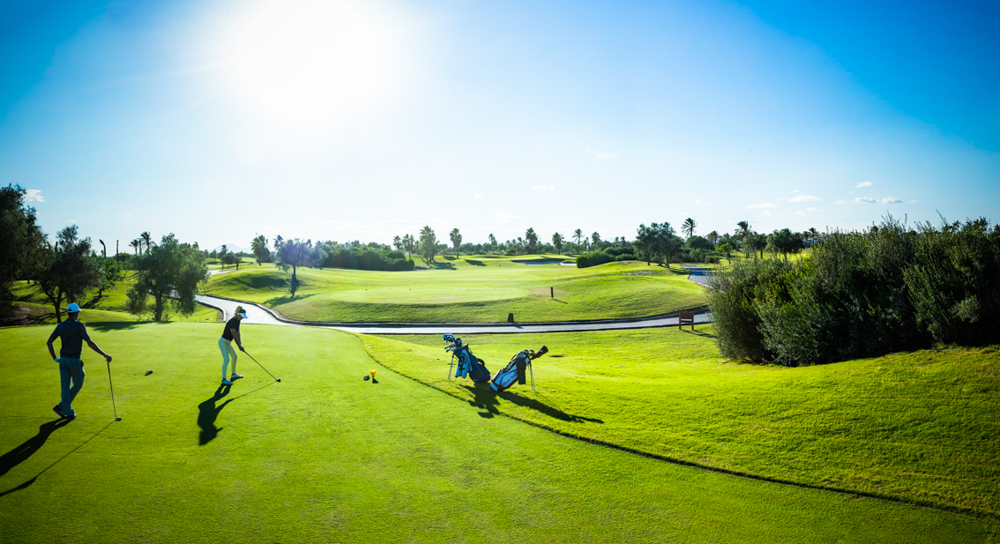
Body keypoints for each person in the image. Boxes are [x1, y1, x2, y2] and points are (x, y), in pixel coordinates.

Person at [46, 303, 112, 421]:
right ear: (76, 313)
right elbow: (89, 342)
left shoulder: (61, 325)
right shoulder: (80, 326)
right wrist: (104, 354)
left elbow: (49, 342)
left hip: (63, 360)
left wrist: (55, 358)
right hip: (74, 360)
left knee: (65, 387)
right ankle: (64, 408)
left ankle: (65, 410)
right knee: (78, 382)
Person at [218, 306, 248, 385]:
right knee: (226, 359)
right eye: (242, 316)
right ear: (238, 314)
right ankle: (223, 379)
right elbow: (234, 336)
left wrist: (240, 344)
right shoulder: (232, 322)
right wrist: (239, 347)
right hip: (223, 342)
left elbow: (238, 333)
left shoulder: (238, 321)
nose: (243, 318)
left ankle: (233, 374)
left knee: (234, 357)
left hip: (228, 342)